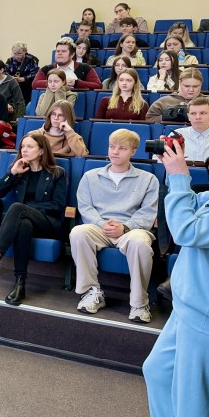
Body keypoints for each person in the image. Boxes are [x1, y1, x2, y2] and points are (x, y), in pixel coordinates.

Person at [144, 140, 209, 417]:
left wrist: (180, 176)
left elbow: (186, 230)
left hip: (204, 317)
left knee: (191, 403)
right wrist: (175, 175)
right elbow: (194, 203)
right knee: (158, 372)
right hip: (186, 306)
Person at [0, 132, 68, 305]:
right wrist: (13, 173)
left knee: (17, 208)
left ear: (42, 151)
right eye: (22, 147)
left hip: (48, 223)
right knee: (23, 225)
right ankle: (19, 284)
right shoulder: (20, 170)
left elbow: (58, 205)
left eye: (30, 147)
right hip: (25, 221)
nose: (24, 150)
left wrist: (28, 208)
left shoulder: (57, 173)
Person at [71, 128, 158, 323]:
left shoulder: (148, 179)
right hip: (99, 228)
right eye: (112, 147)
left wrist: (125, 227)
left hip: (132, 229)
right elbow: (85, 207)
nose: (115, 152)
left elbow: (148, 212)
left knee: (140, 242)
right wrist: (102, 224)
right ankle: (92, 292)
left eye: (122, 148)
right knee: (78, 232)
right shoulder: (90, 176)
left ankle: (139, 303)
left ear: (133, 151)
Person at [32, 39, 102, 90]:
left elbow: (98, 85)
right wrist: (57, 83)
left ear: (72, 54)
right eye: (58, 51)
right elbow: (35, 84)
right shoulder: (46, 69)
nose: (59, 53)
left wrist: (76, 83)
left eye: (63, 51)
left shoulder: (85, 68)